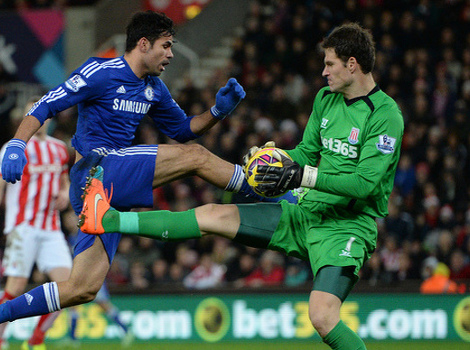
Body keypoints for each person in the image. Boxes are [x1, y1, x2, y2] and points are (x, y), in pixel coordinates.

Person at [79, 23, 404, 350]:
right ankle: (109, 219)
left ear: (352, 64)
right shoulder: (325, 98)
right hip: (305, 214)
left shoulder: (386, 115)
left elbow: (364, 184)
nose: (323, 72)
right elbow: (305, 153)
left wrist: (300, 176)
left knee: (322, 317)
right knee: (212, 215)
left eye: (330, 64)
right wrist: (273, 158)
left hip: (346, 226)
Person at [0, 11, 294, 325]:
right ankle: (266, 192)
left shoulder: (153, 87)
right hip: (95, 171)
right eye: (166, 46)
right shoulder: (101, 71)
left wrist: (217, 111)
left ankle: (3, 313)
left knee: (82, 289)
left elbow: (182, 128)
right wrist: (18, 143)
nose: (170, 54)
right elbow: (47, 103)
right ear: (143, 44)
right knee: (194, 156)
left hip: (107, 191)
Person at [0, 97, 72, 350]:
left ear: (49, 117)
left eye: (42, 113)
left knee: (69, 288)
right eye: (32, 111)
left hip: (51, 228)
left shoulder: (60, 149)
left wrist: (65, 193)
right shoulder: (13, 147)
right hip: (23, 227)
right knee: (15, 287)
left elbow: (65, 183)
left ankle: (36, 340)